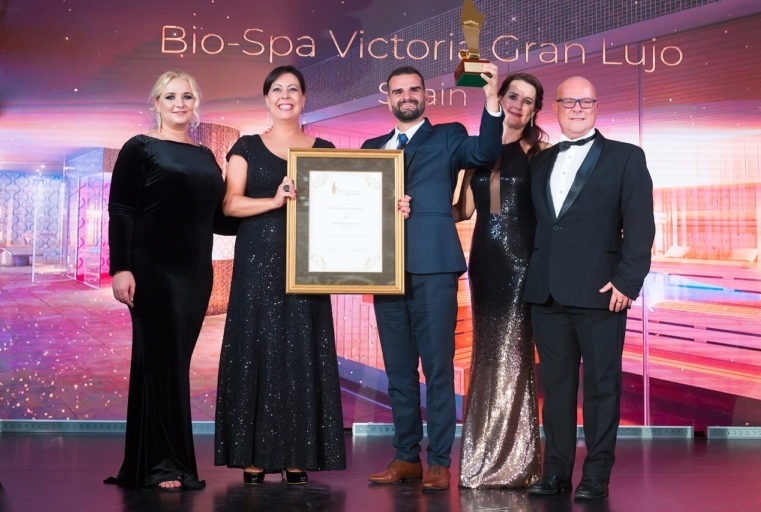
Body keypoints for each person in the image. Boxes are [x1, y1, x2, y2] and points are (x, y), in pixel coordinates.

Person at [363, 65, 503, 491]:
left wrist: (492, 98)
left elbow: (484, 154)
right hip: (384, 270)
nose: (406, 96)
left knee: (437, 368)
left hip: (434, 266)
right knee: (399, 372)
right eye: (398, 90)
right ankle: (406, 457)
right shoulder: (371, 147)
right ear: (387, 97)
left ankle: (440, 460)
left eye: (414, 89)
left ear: (426, 96)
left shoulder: (448, 135)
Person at [523, 76, 655, 500]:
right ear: (556, 108)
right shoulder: (540, 162)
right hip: (547, 294)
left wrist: (628, 281)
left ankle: (596, 476)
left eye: (586, 101)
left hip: (602, 293)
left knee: (602, 388)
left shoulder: (626, 157)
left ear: (597, 106)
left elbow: (640, 226)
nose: (578, 108)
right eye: (569, 101)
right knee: (557, 390)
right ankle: (556, 472)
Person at [214, 65, 347, 485]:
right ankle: (253, 455)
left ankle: (297, 453)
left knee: (301, 353)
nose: (285, 95)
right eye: (277, 89)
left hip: (310, 265)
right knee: (256, 347)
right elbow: (231, 205)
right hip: (257, 262)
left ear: (305, 98)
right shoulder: (247, 146)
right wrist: (274, 201)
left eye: (293, 89)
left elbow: (343, 210)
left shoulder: (324, 147)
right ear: (266, 98)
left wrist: (390, 207)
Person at [105, 70, 225, 490]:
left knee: (170, 364)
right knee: (162, 364)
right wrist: (121, 267)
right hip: (152, 269)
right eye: (170, 96)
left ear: (196, 103)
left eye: (187, 96)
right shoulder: (139, 148)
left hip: (195, 273)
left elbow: (221, 219)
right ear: (155, 102)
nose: (179, 103)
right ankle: (162, 463)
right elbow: (120, 210)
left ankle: (149, 461)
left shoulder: (207, 155)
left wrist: (276, 203)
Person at [454, 73, 549, 489]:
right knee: (488, 356)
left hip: (522, 265)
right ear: (501, 98)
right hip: (485, 265)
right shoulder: (481, 150)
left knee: (514, 357)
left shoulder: (541, 153)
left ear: (534, 111)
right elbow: (462, 211)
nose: (518, 105)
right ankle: (481, 457)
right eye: (513, 96)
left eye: (528, 101)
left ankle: (516, 462)